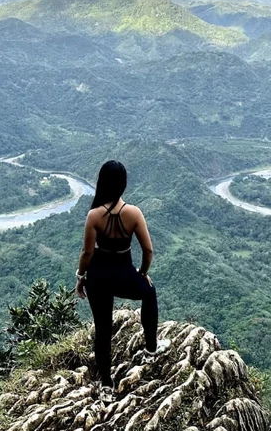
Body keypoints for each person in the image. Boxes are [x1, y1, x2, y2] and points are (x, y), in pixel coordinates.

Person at [75, 160, 170, 403]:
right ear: (123, 184)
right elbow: (148, 250)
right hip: (124, 274)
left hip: (98, 278)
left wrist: (81, 278)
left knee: (103, 329)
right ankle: (151, 349)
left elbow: (87, 253)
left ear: (101, 183)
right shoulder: (134, 213)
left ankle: (106, 385)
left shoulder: (94, 215)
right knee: (149, 292)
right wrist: (142, 273)